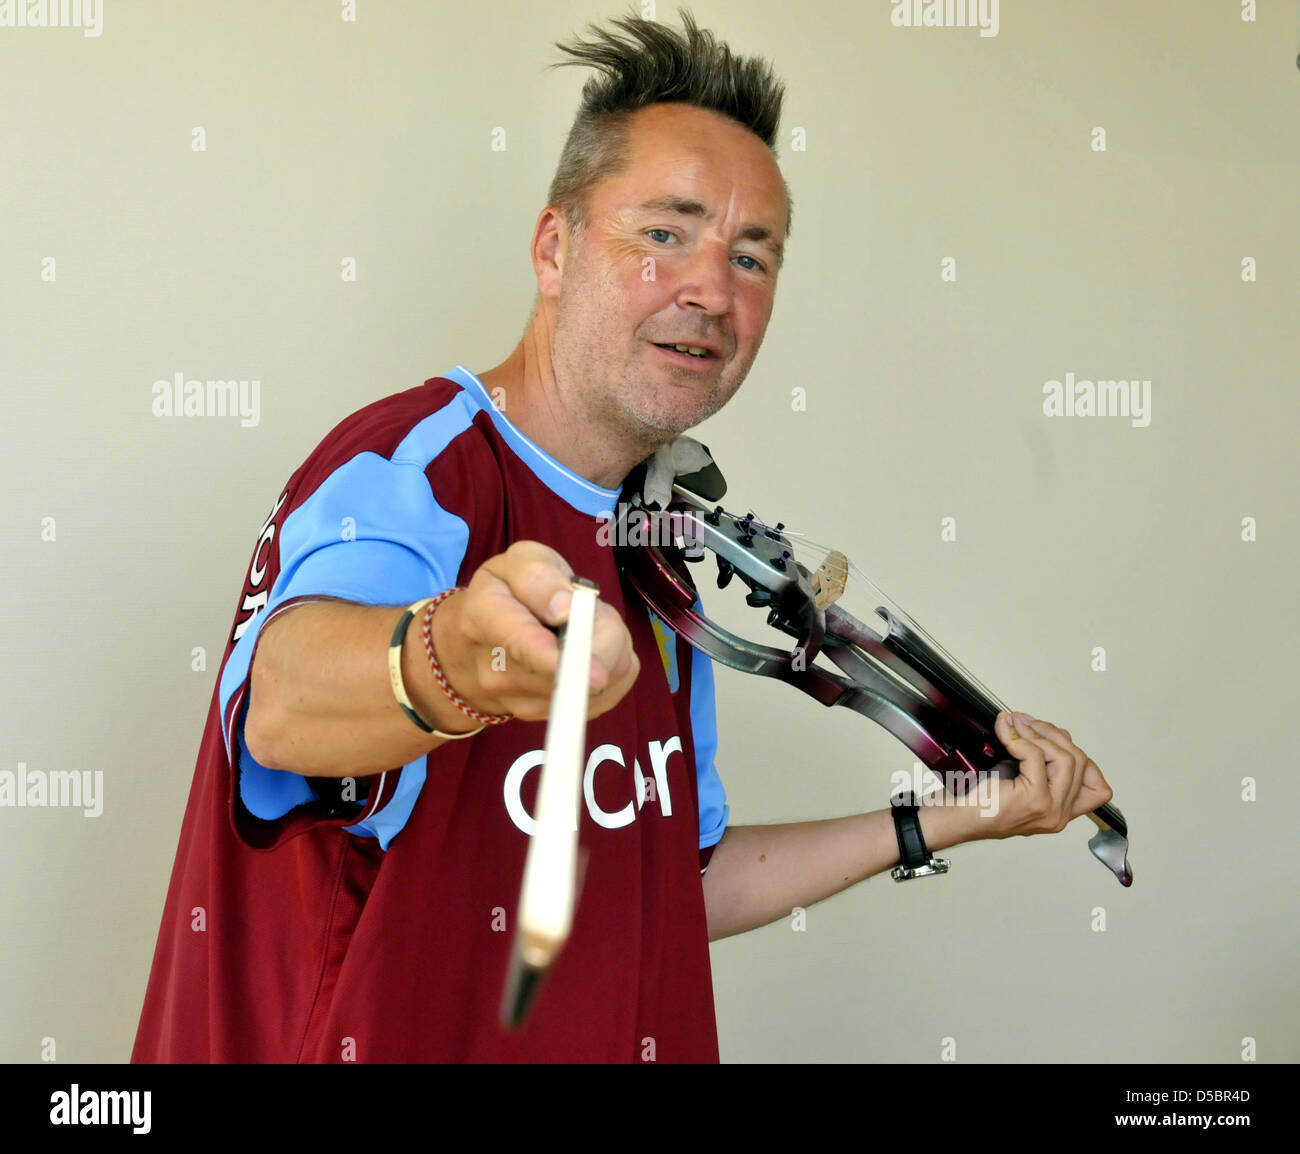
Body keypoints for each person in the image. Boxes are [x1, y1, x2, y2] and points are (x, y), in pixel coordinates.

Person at [132, 9, 1112, 1064]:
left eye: (751, 255)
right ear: (554, 249)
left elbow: (667, 877)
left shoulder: (663, 546)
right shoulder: (413, 469)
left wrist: (944, 816)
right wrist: (455, 656)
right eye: (664, 233)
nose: (711, 291)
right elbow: (278, 709)